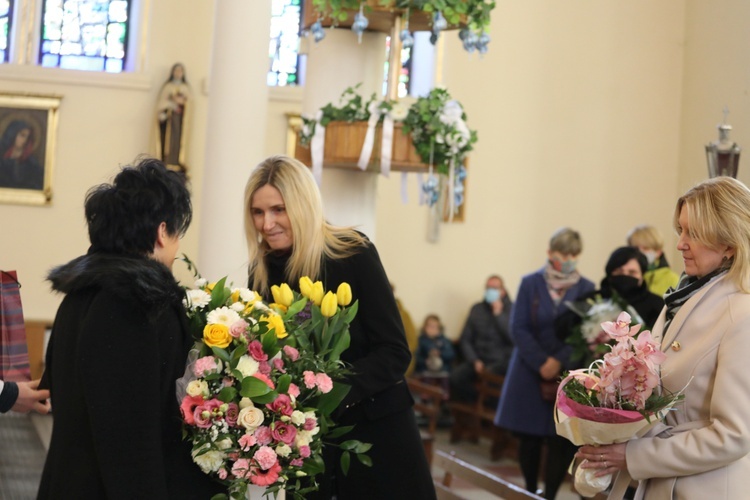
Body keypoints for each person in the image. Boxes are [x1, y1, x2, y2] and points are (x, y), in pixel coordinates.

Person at [244, 155, 436, 499]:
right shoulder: (262, 273)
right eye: (258, 212)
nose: (266, 223)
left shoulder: (353, 253)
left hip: (378, 433)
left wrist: (329, 390)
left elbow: (394, 352)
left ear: (302, 205)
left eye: (278, 209)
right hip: (312, 443)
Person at [37, 158, 222, 499]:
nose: (177, 246)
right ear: (161, 232)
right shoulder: (135, 304)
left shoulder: (81, 294)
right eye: (177, 233)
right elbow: (129, 439)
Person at [577, 177, 750, 499]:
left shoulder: (742, 312)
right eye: (680, 230)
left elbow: (733, 436)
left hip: (705, 487)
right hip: (665, 481)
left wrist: (633, 455)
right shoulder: (686, 296)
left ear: (729, 241)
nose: (680, 243)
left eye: (693, 233)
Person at [495, 227, 595, 499]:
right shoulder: (530, 283)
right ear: (550, 253)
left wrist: (559, 359)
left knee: (560, 438)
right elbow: (519, 327)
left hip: (567, 371)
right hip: (529, 368)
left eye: (574, 254)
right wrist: (541, 362)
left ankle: (549, 494)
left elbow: (587, 331)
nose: (568, 258)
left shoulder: (587, 288)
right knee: (529, 438)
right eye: (563, 253)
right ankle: (528, 491)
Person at [449, 275, 514, 403]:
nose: (491, 291)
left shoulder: (513, 309)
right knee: (455, 378)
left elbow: (513, 338)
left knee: (491, 379)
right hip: (477, 360)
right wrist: (474, 360)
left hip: (499, 362)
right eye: (488, 288)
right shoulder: (476, 309)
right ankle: (474, 409)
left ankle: (487, 415)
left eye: (495, 288)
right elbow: (465, 339)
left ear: (503, 291)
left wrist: (499, 315)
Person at [155, 63, 192, 170]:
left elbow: (190, 104)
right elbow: (161, 104)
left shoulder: (185, 88)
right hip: (169, 122)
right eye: (176, 70)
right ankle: (166, 160)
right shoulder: (168, 87)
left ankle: (177, 160)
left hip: (180, 122)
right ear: (172, 72)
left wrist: (182, 103)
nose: (178, 73)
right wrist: (172, 104)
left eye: (180, 71)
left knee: (177, 140)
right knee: (168, 141)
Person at [627, 224, 680, 297]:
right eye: (636, 249)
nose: (640, 253)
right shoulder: (624, 276)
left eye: (646, 248)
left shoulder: (673, 280)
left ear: (658, 252)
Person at [0, 119, 44, 190]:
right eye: (22, 135)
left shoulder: (32, 163)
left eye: (27, 137)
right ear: (13, 134)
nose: (25, 140)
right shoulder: (2, 156)